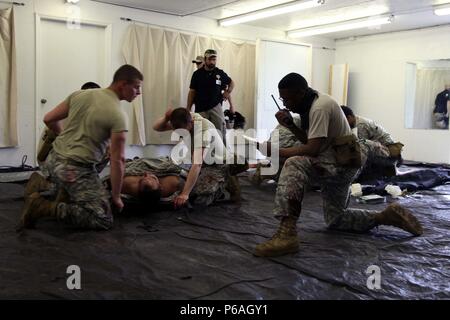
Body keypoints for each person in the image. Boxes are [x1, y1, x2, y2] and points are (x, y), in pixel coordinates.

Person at [253, 73, 423, 257]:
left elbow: (312, 149)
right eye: (282, 99)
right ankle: (384, 217)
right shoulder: (309, 104)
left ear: (301, 92)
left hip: (340, 161)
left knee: (295, 163)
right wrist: (291, 126)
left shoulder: (320, 107)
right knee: (336, 219)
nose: (285, 104)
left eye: (287, 98)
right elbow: (312, 141)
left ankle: (287, 234)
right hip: (339, 160)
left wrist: (274, 151)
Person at [18, 64, 143, 231]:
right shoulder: (118, 115)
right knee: (102, 218)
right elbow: (118, 160)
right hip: (74, 170)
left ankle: (46, 185)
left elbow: (48, 119)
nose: (138, 92)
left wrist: (62, 136)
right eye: (136, 87)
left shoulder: (79, 95)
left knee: (104, 153)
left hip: (52, 160)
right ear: (122, 84)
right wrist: (116, 196)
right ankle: (42, 207)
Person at [153, 107, 244, 207]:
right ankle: (213, 181)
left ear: (190, 123)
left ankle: (225, 181)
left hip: (219, 164)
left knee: (199, 200)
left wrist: (184, 194)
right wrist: (166, 118)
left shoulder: (203, 131)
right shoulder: (184, 118)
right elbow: (157, 128)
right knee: (181, 176)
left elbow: (197, 164)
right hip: (205, 162)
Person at [341, 105, 403, 178]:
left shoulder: (361, 125)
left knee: (361, 145)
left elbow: (362, 150)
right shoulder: (357, 120)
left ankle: (360, 175)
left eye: (344, 121)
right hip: (387, 152)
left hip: (390, 155)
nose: (344, 124)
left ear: (349, 117)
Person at [187, 49, 235, 143]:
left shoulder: (220, 73)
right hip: (201, 109)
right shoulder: (197, 74)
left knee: (220, 130)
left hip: (215, 107)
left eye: (214, 59)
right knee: (200, 134)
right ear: (205, 59)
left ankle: (222, 155)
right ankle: (199, 155)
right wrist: (188, 108)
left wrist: (228, 93)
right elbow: (192, 92)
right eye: (210, 59)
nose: (212, 62)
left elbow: (231, 83)